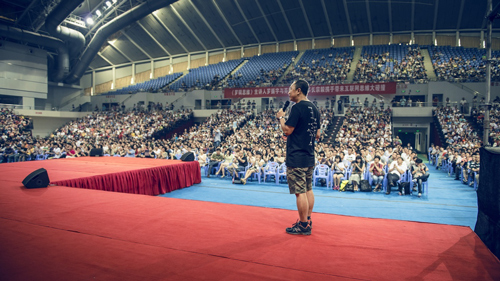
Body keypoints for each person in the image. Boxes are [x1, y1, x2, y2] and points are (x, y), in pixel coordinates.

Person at [276, 79, 320, 235]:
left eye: (291, 89)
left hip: (297, 156)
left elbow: (287, 130)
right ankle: (307, 219)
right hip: (309, 155)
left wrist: (281, 117)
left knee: (299, 191)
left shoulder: (297, 107)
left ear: (299, 90)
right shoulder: (315, 109)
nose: (289, 92)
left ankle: (302, 225)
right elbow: (318, 134)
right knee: (308, 188)